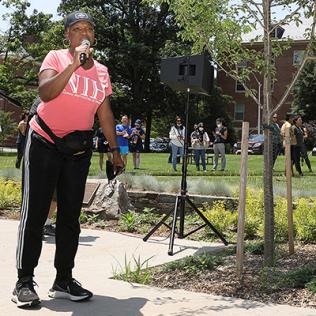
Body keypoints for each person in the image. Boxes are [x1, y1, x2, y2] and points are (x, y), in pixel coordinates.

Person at [12, 11, 124, 308]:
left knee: (70, 218)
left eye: (88, 28)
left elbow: (105, 113)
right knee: (35, 212)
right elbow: (46, 93)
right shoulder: (56, 58)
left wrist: (115, 150)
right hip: (44, 142)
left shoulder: (101, 71)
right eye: (76, 28)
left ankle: (63, 279)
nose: (83, 32)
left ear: (94, 37)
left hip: (77, 150)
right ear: (68, 36)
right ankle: (24, 281)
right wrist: (74, 64)